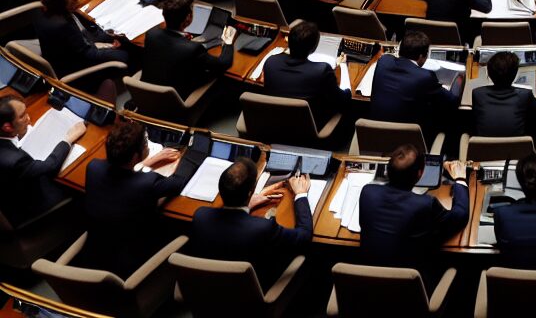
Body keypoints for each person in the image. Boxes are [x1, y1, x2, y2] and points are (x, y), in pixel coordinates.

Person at [81, 116, 188, 277]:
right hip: (132, 261)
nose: (147, 146)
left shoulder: (93, 167)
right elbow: (179, 182)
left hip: (97, 252)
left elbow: (121, 174)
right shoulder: (146, 183)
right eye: (145, 144)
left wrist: (148, 162)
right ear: (134, 157)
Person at [188, 158, 311, 289]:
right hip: (251, 294)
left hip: (207, 290)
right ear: (250, 192)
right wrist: (301, 194)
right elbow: (304, 235)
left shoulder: (201, 216)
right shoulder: (263, 227)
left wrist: (246, 204)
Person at [359, 144, 469, 270]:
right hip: (410, 283)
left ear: (387, 170)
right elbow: (460, 215)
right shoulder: (424, 204)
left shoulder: (367, 192)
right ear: (420, 174)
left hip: (365, 281)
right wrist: (460, 179)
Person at [34, 0, 134, 98]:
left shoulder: (42, 12)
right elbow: (88, 53)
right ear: (62, 1)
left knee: (106, 36)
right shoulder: (64, 25)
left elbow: (80, 37)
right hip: (75, 69)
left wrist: (106, 38)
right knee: (124, 55)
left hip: (62, 52)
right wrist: (109, 48)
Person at [0, 96, 85, 227]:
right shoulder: (13, 160)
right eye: (22, 116)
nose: (28, 119)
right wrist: (68, 139)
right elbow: (49, 166)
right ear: (7, 127)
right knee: (81, 185)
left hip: (14, 188)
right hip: (29, 204)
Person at [142, 0, 236, 95]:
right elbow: (223, 64)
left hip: (145, 94)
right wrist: (228, 42)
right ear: (188, 18)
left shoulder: (151, 34)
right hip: (176, 100)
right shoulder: (192, 49)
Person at [369, 31, 462, 136]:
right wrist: (460, 77)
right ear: (421, 56)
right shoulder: (425, 77)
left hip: (375, 135)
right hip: (408, 141)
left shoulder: (384, 61)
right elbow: (453, 101)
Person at [263, 20, 350, 127]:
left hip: (275, 123)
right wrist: (343, 65)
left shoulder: (271, 62)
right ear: (313, 48)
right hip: (308, 128)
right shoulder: (322, 70)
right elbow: (343, 99)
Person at [471, 51, 536, 138]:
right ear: (514, 75)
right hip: (519, 151)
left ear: (489, 74)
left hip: (485, 151)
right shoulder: (525, 95)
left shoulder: (478, 94)